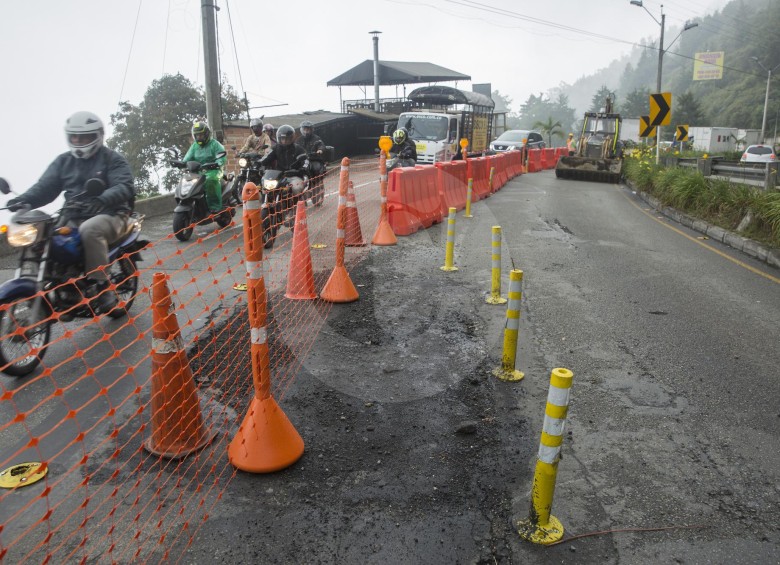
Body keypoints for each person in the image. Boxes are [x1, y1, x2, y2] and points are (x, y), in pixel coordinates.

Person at [6, 111, 135, 314]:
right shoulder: (63, 161)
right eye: (74, 136)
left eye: (83, 136)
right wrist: (24, 199)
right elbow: (45, 187)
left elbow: (124, 186)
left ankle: (102, 287)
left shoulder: (112, 159)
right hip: (73, 215)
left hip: (111, 214)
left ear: (98, 135)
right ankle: (60, 282)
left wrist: (102, 199)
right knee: (45, 235)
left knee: (89, 230)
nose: (78, 140)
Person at [182, 120, 226, 213]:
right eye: (197, 135)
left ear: (206, 134)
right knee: (186, 181)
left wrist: (217, 163)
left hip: (214, 170)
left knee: (210, 180)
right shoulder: (194, 146)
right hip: (198, 172)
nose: (199, 137)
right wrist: (182, 164)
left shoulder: (215, 144)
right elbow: (187, 158)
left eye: (201, 135)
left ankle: (215, 207)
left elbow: (221, 157)